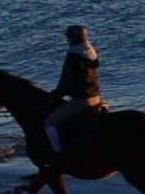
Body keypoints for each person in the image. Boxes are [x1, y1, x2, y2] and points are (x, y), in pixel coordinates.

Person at [43, 24, 106, 164]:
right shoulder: (92, 52)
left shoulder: (73, 56)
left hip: (82, 100)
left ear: (71, 39)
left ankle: (59, 156)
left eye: (68, 38)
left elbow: (66, 80)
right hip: (96, 97)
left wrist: (55, 95)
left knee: (49, 123)